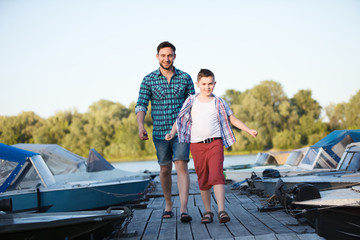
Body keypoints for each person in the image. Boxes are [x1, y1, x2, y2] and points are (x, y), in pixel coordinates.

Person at [165, 69, 258, 224]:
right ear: (197, 84)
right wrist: (172, 133)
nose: (207, 87)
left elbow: (232, 119)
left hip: (215, 143)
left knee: (217, 175)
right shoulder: (191, 101)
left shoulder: (219, 102)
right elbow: (179, 118)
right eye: (204, 84)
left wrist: (248, 130)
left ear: (215, 84)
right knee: (203, 178)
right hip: (196, 145)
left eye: (210, 84)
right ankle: (208, 212)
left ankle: (222, 211)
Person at [135, 41, 195, 222]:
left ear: (174, 56)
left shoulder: (185, 78)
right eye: (163, 56)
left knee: (181, 166)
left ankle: (184, 209)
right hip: (160, 132)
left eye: (170, 55)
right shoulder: (148, 80)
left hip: (182, 131)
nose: (166, 59)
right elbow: (141, 104)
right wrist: (140, 126)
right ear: (157, 57)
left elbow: (193, 104)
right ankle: (168, 204)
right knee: (164, 169)